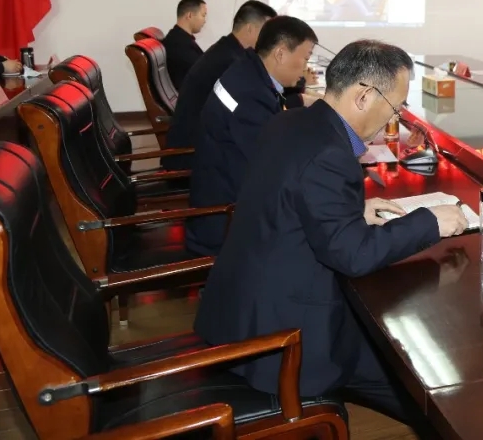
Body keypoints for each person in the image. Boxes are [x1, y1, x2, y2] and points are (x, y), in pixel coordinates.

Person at [194, 39, 467, 431]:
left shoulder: (292, 121)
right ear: (363, 96)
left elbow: (290, 200)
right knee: (422, 379)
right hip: (282, 342)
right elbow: (353, 255)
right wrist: (430, 222)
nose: (395, 117)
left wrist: (352, 211)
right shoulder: (329, 154)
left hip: (243, 309)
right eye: (395, 107)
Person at [186, 16, 318, 257]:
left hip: (226, 190)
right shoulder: (249, 95)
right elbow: (274, 167)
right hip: (226, 219)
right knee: (316, 235)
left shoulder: (247, 72)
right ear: (280, 54)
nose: (305, 68)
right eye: (306, 58)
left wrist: (304, 102)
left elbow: (270, 111)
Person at [163, 0, 278, 170]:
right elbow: (250, 108)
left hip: (203, 144)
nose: (271, 40)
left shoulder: (228, 50)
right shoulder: (229, 61)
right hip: (194, 156)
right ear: (250, 29)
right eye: (267, 32)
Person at [163, 0, 208, 90]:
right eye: (203, 15)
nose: (205, 21)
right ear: (189, 15)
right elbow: (204, 71)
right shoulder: (178, 44)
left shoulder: (179, 38)